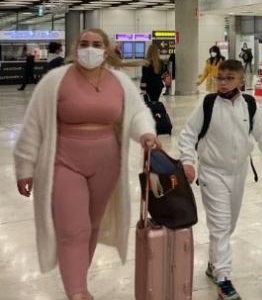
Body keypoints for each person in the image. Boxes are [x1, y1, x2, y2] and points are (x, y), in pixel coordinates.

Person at [13, 28, 161, 300]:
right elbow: (33, 125)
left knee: (91, 225)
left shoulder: (118, 81)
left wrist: (145, 133)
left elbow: (137, 112)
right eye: (84, 43)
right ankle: (77, 292)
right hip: (64, 161)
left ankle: (79, 276)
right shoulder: (55, 81)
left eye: (96, 44)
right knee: (73, 229)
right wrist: (25, 167)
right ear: (75, 48)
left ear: (106, 50)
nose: (89, 48)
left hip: (106, 163)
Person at [178, 59, 262, 300]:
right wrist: (187, 160)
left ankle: (214, 262)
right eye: (219, 77)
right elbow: (188, 134)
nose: (223, 83)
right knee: (220, 225)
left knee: (230, 225)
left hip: (238, 174)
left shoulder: (250, 104)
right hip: (212, 174)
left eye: (229, 78)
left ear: (241, 80)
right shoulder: (208, 104)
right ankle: (224, 279)